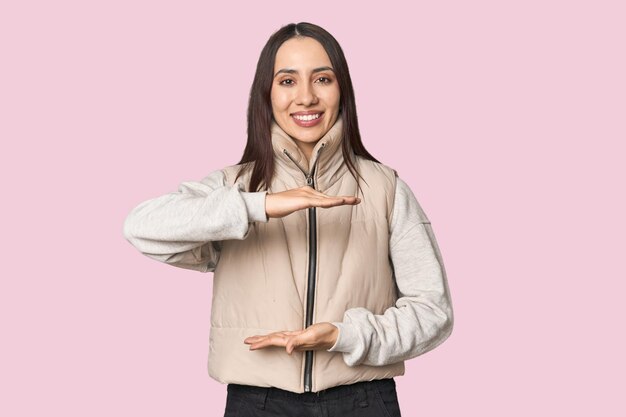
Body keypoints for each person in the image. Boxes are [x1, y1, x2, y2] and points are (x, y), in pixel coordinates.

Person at [123, 22, 454, 417]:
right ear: (267, 93)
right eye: (287, 81)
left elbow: (433, 311)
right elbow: (141, 226)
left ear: (342, 88)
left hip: (362, 399)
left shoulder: (387, 189)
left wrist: (346, 336)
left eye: (323, 78)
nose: (306, 97)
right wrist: (257, 206)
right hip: (257, 402)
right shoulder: (234, 186)